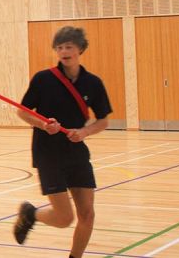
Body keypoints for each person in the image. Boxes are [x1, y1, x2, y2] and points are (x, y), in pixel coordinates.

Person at [12, 26, 112, 258]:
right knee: (65, 218)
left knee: (87, 214)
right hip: (48, 154)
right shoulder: (43, 79)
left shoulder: (92, 83)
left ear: (80, 49)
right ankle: (30, 214)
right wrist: (43, 125)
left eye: (69, 46)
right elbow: (23, 112)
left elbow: (103, 121)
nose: (64, 51)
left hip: (76, 152)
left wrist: (84, 133)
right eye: (59, 47)